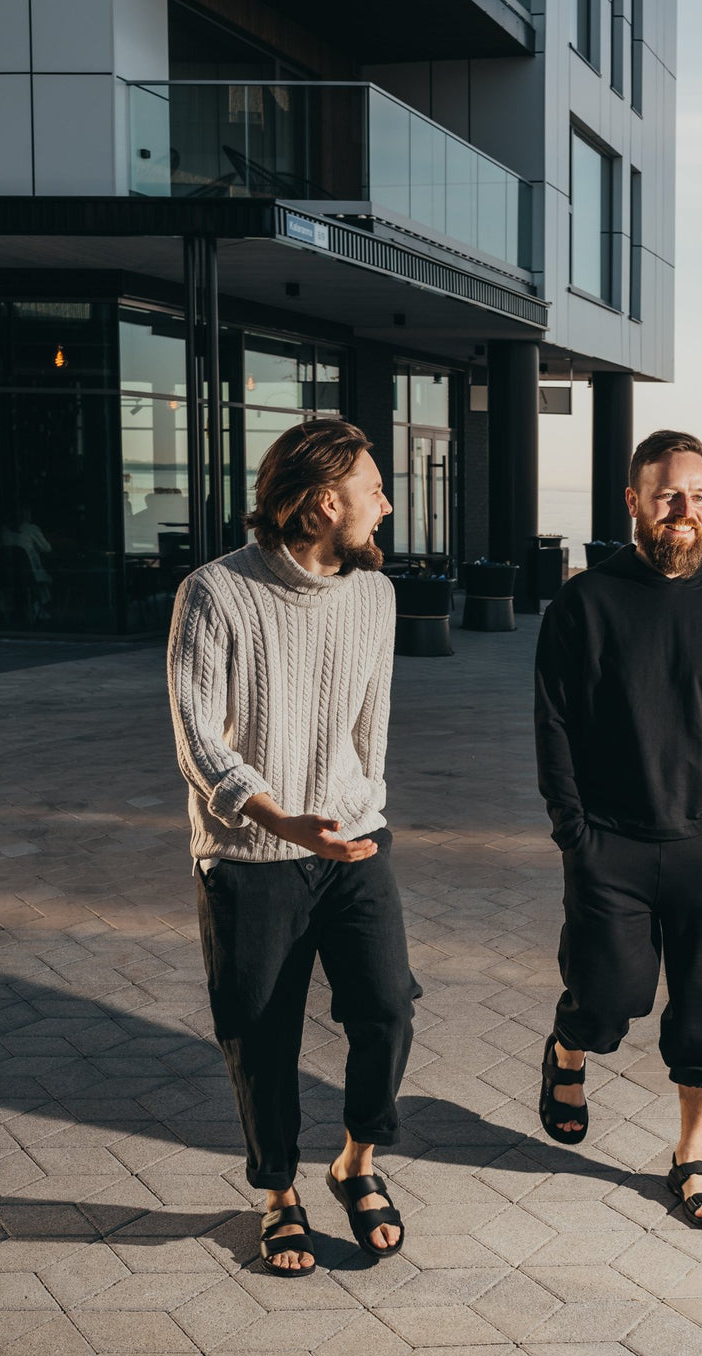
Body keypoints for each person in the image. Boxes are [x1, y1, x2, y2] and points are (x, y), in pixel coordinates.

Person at [167, 418, 419, 1274]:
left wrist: (362, 816)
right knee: (261, 1035)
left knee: (387, 1008)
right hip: (250, 855)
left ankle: (357, 1162)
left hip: (353, 842)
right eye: (372, 491)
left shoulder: (376, 597)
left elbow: (370, 731)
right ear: (320, 505)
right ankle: (279, 1192)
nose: (386, 503)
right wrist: (277, 820)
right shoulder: (215, 593)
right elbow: (200, 741)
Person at [535, 429, 702, 1228]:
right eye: (669, 493)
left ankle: (691, 1157)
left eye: (699, 495)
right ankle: (570, 1049)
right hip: (610, 846)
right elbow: (553, 725)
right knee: (611, 1000)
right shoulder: (586, 602)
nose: (685, 509)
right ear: (634, 502)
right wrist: (575, 834)